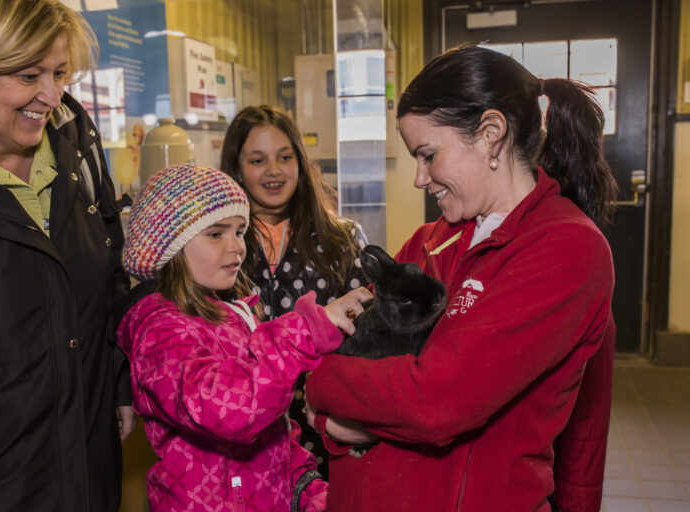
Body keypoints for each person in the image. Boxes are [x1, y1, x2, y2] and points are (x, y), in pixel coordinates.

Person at [304, 44, 618, 512]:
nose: (419, 178)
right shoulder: (428, 242)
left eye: (428, 155)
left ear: (491, 133)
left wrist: (317, 384)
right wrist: (336, 425)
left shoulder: (567, 248)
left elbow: (437, 401)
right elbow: (355, 345)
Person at [0, 0, 133, 510]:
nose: (51, 94)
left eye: (59, 73)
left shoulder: (76, 147)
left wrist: (119, 383)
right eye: (27, 74)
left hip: (90, 471)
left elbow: (109, 279)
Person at [115, 163, 371, 511]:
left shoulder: (233, 315)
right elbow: (227, 407)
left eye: (240, 231)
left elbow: (272, 431)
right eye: (216, 234)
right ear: (169, 246)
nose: (237, 246)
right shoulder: (160, 333)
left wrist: (304, 487)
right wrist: (307, 330)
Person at [219, 105, 369, 475]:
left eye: (284, 157)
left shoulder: (341, 241)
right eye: (258, 160)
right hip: (244, 443)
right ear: (237, 168)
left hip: (328, 434)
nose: (273, 171)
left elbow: (366, 340)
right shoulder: (217, 251)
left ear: (300, 163)